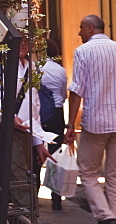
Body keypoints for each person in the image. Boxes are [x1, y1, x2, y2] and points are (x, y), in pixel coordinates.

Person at [65, 14, 116, 224]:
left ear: (90, 28)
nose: (79, 33)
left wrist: (70, 125)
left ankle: (106, 217)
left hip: (96, 122)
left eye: (80, 28)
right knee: (115, 177)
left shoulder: (83, 51)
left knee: (88, 172)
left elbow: (77, 90)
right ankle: (115, 219)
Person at [10, 36, 52, 217]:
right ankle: (28, 218)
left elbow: (35, 106)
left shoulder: (32, 67)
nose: (23, 44)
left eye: (27, 40)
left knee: (28, 181)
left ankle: (29, 217)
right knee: (19, 182)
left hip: (28, 132)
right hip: (9, 132)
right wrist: (7, 118)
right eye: (19, 39)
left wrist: (39, 142)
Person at [39, 39, 68, 211]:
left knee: (35, 155)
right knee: (55, 154)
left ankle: (33, 195)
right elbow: (63, 95)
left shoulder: (35, 68)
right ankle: (56, 198)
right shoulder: (60, 70)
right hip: (57, 113)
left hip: (40, 112)